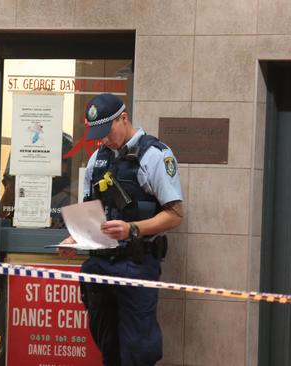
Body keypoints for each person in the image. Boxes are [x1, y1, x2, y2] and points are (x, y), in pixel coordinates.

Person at [59, 93, 184, 366]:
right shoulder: (96, 160)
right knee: (108, 349)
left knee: (138, 353)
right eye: (97, 134)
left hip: (135, 266)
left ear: (123, 118)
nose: (103, 139)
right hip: (100, 267)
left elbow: (175, 215)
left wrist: (133, 229)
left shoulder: (155, 156)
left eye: (107, 131)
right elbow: (91, 213)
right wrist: (74, 238)